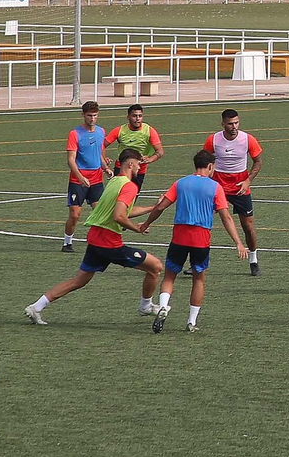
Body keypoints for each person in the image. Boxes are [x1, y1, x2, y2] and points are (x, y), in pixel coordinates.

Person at [25, 150, 163, 325]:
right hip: (109, 243)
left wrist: (152, 207)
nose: (139, 168)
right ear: (130, 164)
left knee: (78, 281)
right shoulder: (129, 186)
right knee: (155, 267)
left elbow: (123, 210)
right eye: (138, 164)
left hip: (96, 239)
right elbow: (119, 216)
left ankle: (36, 307)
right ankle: (146, 306)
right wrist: (137, 228)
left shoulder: (115, 182)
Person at [135, 150, 247, 333]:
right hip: (201, 239)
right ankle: (191, 322)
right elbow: (226, 217)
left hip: (179, 236)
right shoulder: (215, 187)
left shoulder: (181, 183)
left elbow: (161, 206)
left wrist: (146, 223)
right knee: (198, 280)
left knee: (169, 276)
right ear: (210, 166)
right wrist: (238, 242)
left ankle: (163, 306)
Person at [204, 108, 264, 276]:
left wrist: (248, 181)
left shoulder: (248, 139)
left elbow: (258, 161)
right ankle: (199, 260)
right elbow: (205, 162)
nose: (234, 126)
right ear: (223, 124)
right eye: (230, 124)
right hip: (218, 187)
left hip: (240, 188)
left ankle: (253, 260)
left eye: (236, 123)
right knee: (204, 223)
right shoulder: (213, 140)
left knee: (248, 226)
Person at [62, 101, 108, 253]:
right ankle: (67, 243)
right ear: (83, 115)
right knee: (75, 215)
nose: (92, 118)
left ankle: (99, 242)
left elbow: (99, 153)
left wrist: (105, 168)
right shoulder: (74, 134)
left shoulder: (101, 131)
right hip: (78, 180)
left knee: (100, 213)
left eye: (95, 115)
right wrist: (80, 177)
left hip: (96, 178)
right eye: (89, 115)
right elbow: (71, 160)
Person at [104, 103, 165, 194]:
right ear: (128, 117)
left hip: (139, 169)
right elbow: (102, 145)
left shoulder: (149, 131)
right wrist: (104, 157)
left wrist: (150, 159)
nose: (137, 119)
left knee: (133, 196)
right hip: (121, 168)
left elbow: (160, 151)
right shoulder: (120, 130)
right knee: (118, 195)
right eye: (134, 116)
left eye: (140, 116)